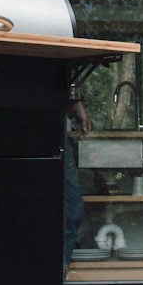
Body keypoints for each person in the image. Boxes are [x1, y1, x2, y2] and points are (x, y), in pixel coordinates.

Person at [62, 91, 92, 275]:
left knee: (73, 208)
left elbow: (71, 81)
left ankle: (62, 266)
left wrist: (80, 109)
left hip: (56, 127)